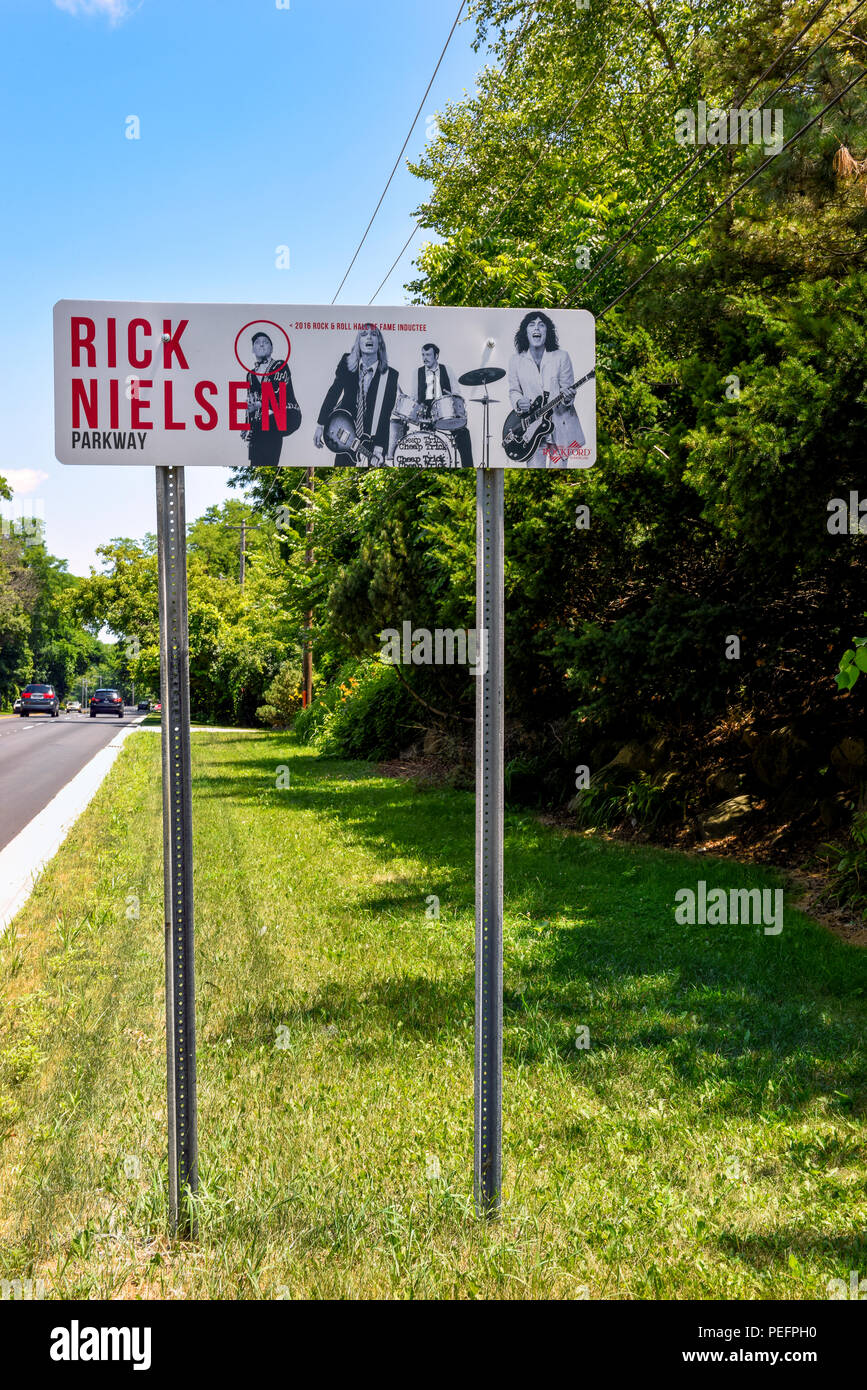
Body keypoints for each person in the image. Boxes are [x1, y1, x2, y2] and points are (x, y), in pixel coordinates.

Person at [314, 324, 399, 467]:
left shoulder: (390, 376)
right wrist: (320, 424)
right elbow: (334, 392)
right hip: (345, 436)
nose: (369, 337)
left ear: (380, 343)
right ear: (358, 342)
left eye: (373, 334)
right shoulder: (347, 362)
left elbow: (385, 414)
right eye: (364, 334)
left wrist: (379, 448)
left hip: (371, 440)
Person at [507, 312, 585, 468]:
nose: (537, 328)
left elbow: (567, 391)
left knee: (557, 475)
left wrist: (569, 397)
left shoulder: (561, 357)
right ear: (526, 332)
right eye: (532, 324)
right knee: (535, 474)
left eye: (541, 324)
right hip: (532, 430)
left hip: (558, 428)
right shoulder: (516, 360)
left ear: (547, 331)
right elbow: (514, 390)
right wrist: (518, 401)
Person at [391, 342, 473, 468]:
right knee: (425, 442)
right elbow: (414, 397)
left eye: (428, 354)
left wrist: (450, 395)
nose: (425, 358)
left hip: (446, 412)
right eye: (423, 355)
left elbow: (456, 393)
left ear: (436, 355)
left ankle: (468, 467)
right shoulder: (417, 373)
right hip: (427, 414)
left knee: (463, 433)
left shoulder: (447, 369)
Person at [242, 332, 301, 469]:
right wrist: (247, 426)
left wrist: (258, 405)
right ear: (252, 349)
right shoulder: (250, 375)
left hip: (287, 413)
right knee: (258, 432)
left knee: (266, 425)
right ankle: (260, 466)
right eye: (257, 342)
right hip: (264, 423)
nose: (262, 344)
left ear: (272, 348)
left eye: (266, 342)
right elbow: (250, 400)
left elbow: (277, 395)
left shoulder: (279, 365)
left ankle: (269, 464)